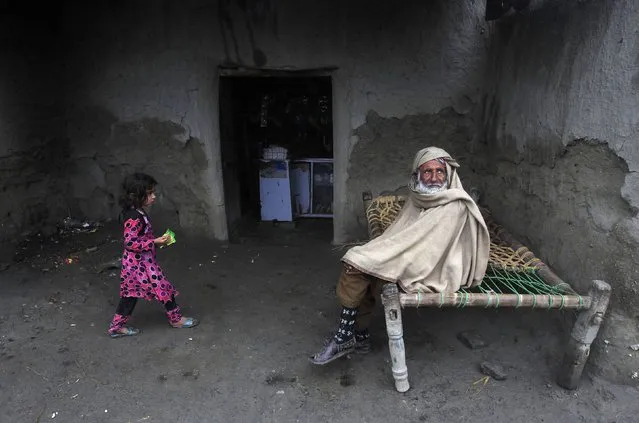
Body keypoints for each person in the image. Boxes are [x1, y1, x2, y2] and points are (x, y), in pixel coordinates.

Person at [311, 146, 490, 364]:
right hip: (411, 255)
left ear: (448, 173)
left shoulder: (456, 205)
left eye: (439, 171)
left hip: (433, 266)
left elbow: (431, 248)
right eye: (427, 172)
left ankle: (346, 335)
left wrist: (386, 256)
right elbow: (402, 233)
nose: (434, 177)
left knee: (359, 264)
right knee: (363, 267)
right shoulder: (419, 197)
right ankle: (358, 335)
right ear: (417, 175)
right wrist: (385, 253)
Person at [108, 173, 199, 338]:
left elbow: (139, 239)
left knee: (133, 295)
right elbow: (130, 243)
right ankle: (176, 319)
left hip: (139, 264)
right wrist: (154, 242)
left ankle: (116, 327)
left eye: (153, 192)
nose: (153, 196)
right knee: (158, 289)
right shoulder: (134, 217)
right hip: (139, 266)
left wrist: (157, 242)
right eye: (149, 193)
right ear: (135, 195)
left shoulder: (136, 212)